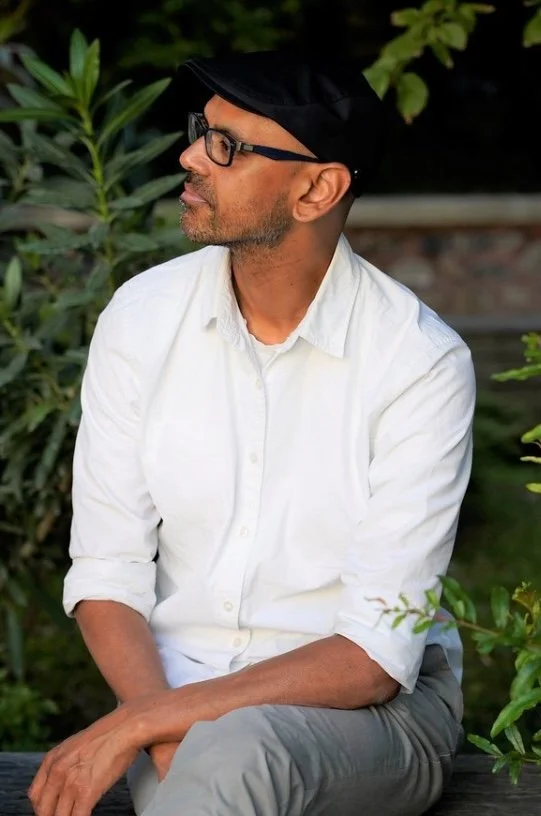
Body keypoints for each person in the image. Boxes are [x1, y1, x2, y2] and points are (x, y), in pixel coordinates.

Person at [28, 50, 476, 816]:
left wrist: (141, 725)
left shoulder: (418, 362)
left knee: (235, 755)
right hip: (176, 701)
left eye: (226, 147)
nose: (190, 157)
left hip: (376, 716)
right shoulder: (141, 318)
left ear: (315, 190)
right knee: (218, 763)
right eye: (200, 131)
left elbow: (372, 656)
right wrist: (159, 721)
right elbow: (108, 571)